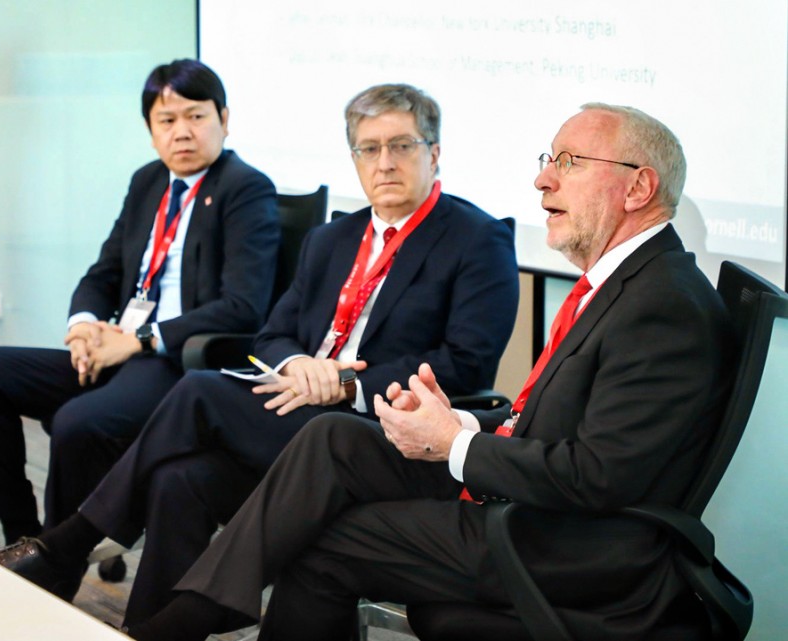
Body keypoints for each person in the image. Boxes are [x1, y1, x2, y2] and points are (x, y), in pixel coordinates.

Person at [122, 103, 740, 641]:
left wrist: (456, 445)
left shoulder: (663, 306)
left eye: (569, 163)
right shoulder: (627, 285)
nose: (542, 179)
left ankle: (184, 619)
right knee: (332, 436)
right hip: (533, 499)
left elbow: (599, 477)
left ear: (638, 188)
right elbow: (556, 424)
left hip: (568, 544)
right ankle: (192, 614)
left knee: (322, 539)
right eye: (548, 160)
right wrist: (457, 422)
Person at [0, 83, 521, 629]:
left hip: (376, 434)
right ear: (354, 159)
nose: (385, 162)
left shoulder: (477, 239)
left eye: (402, 146)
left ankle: (64, 546)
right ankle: (146, 629)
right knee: (178, 479)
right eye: (369, 149)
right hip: (294, 409)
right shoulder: (332, 238)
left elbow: (467, 363)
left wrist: (347, 384)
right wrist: (298, 365)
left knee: (197, 389)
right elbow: (272, 335)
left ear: (434, 152)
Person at [0, 59, 280, 547]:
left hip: (179, 364)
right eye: (167, 121)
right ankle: (21, 535)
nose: (182, 132)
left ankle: (55, 561)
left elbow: (243, 305)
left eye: (196, 117)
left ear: (224, 120)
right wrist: (83, 326)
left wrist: (140, 340)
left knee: (77, 421)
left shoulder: (245, 188)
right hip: (118, 350)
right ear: (150, 131)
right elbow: (103, 273)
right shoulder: (148, 182)